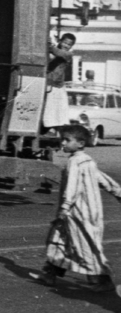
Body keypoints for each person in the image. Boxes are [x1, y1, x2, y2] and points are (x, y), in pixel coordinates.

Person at [37, 124, 121, 291]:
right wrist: (118, 192)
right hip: (89, 211)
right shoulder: (88, 161)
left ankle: (101, 280)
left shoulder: (74, 162)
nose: (63, 143)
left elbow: (72, 188)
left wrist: (65, 208)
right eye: (62, 140)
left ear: (81, 143)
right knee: (59, 239)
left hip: (77, 212)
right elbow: (102, 178)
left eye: (67, 140)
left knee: (85, 245)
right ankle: (50, 273)